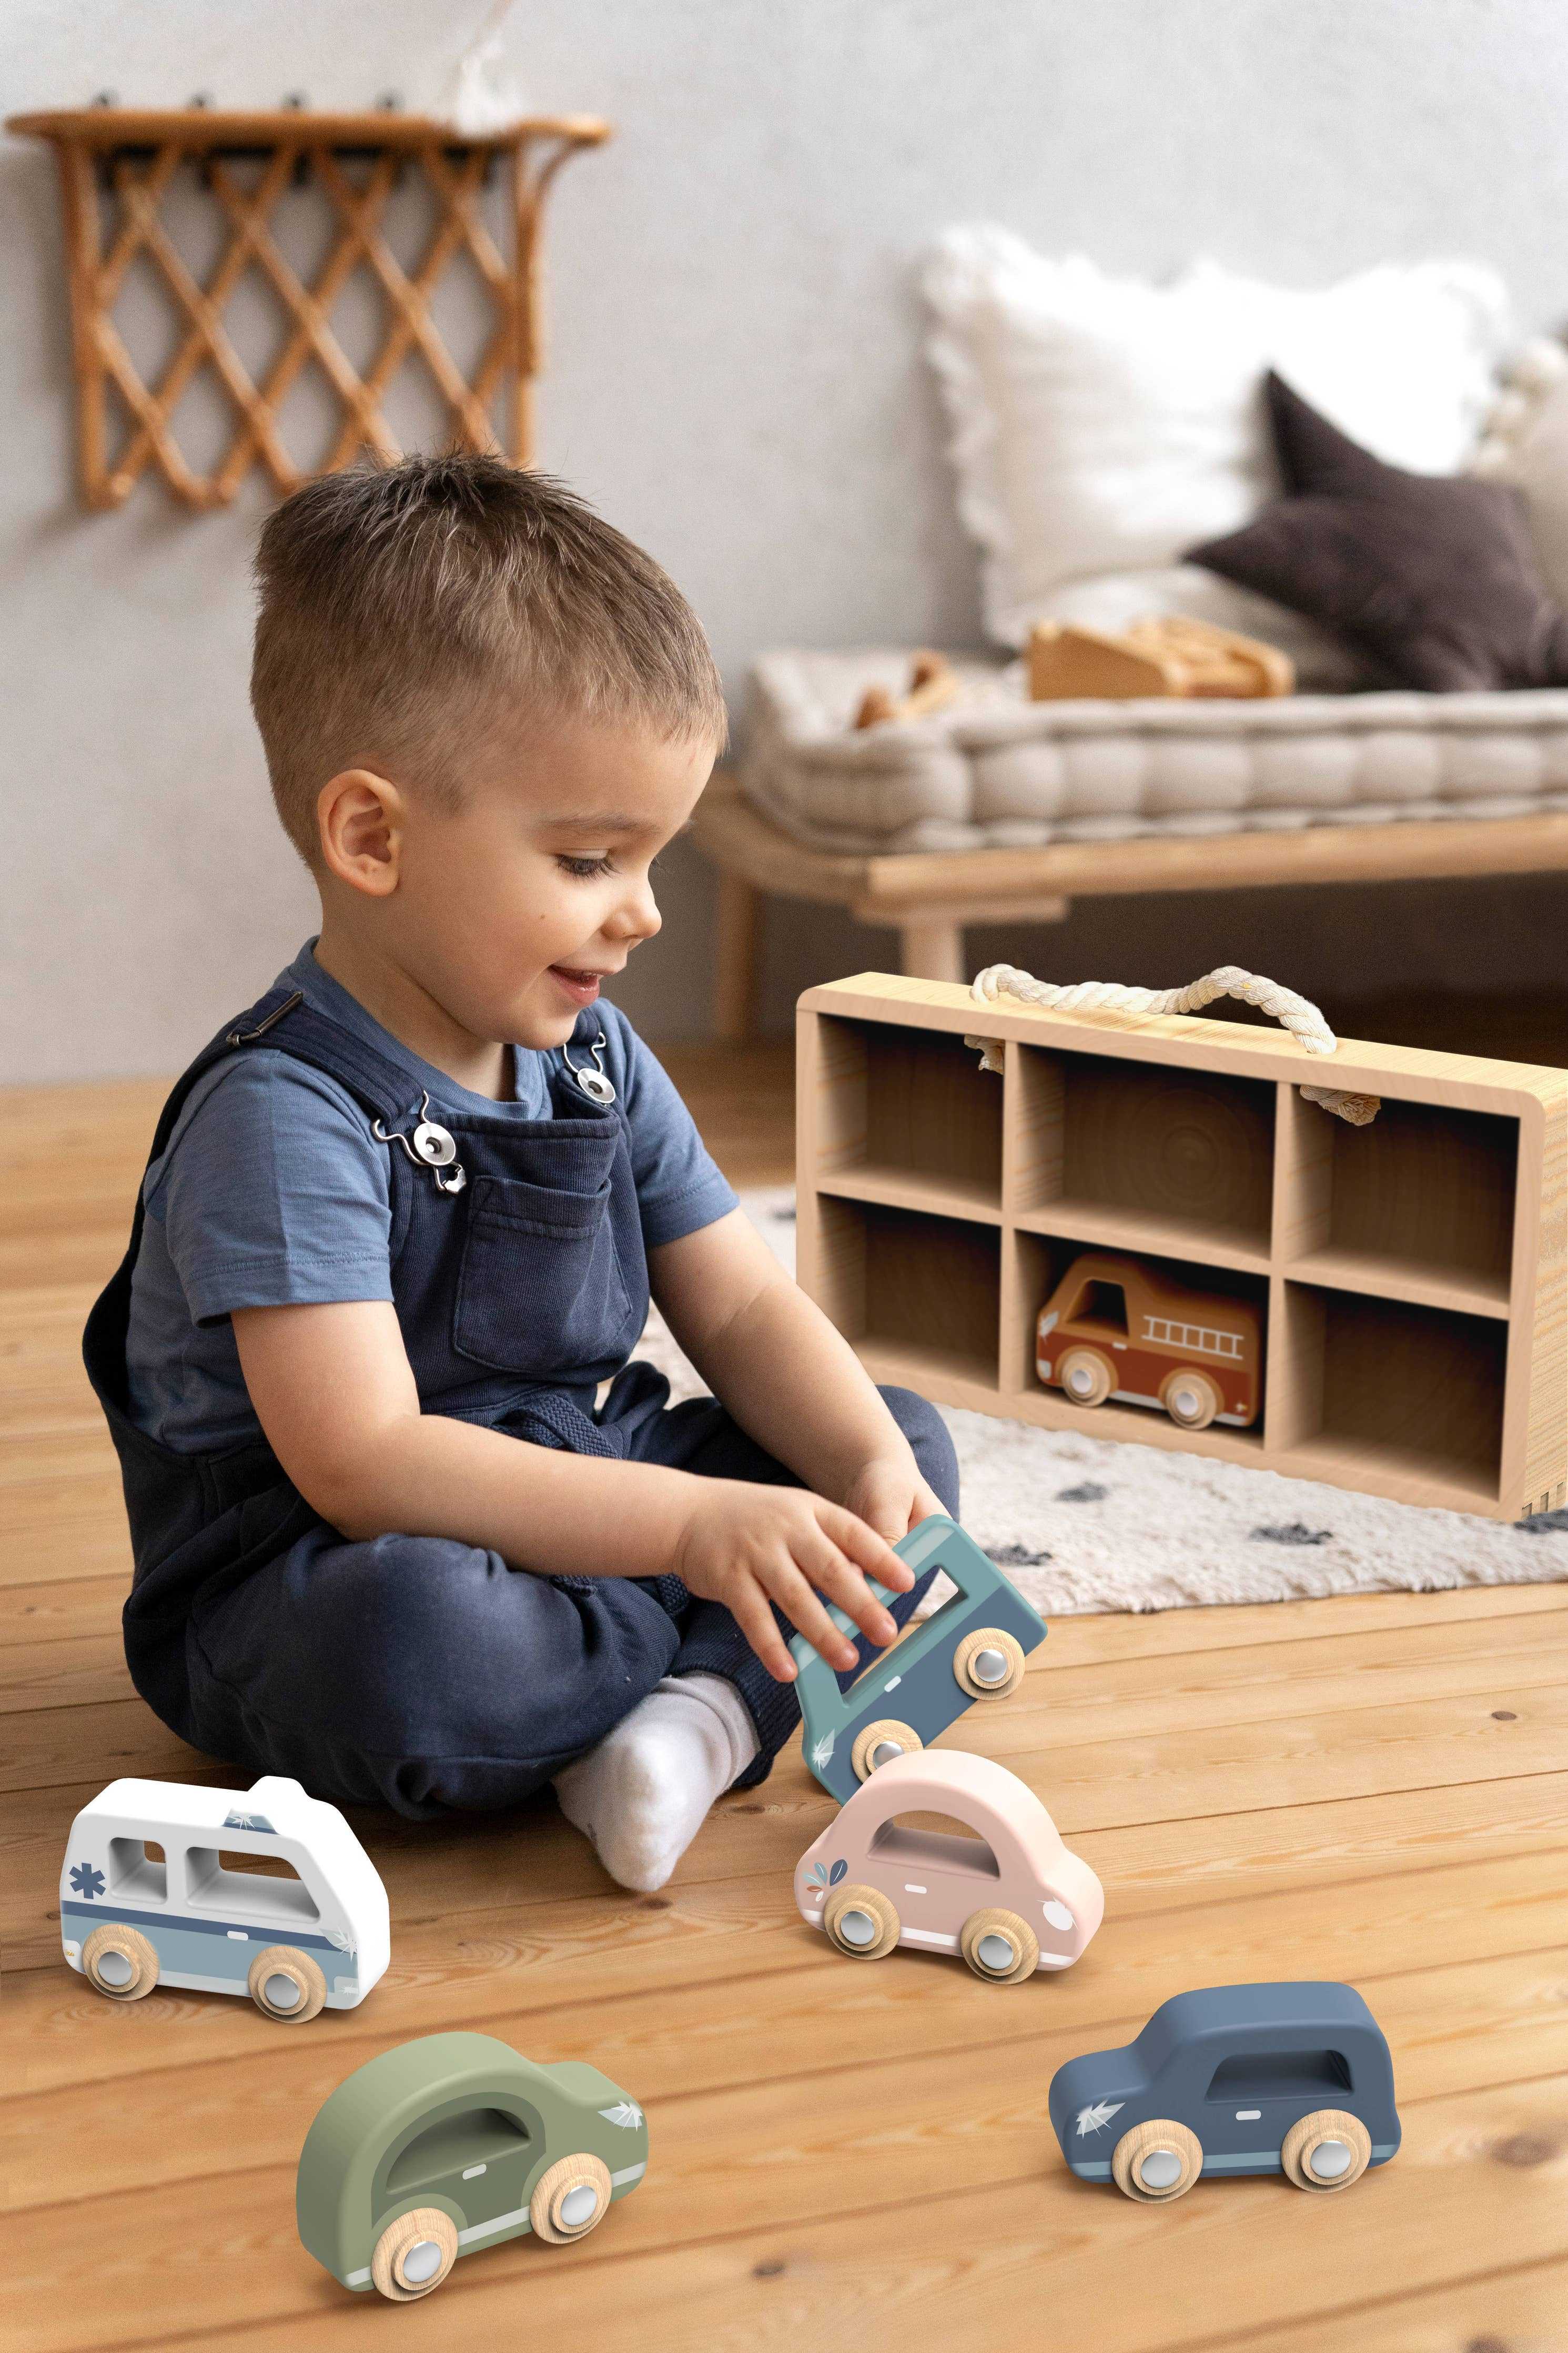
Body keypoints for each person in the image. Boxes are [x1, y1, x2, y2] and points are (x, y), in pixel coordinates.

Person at [84, 453, 958, 1892]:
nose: (646, 910)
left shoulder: (597, 1060)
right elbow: (365, 1465)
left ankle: (683, 1725)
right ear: (374, 836)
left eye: (652, 857)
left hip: (586, 1490)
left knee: (897, 1443)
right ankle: (711, 1675)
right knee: (424, 1645)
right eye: (592, 857)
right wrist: (688, 1532)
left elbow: (737, 1315)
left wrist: (855, 1466)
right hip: (333, 1567)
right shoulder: (283, 1116)